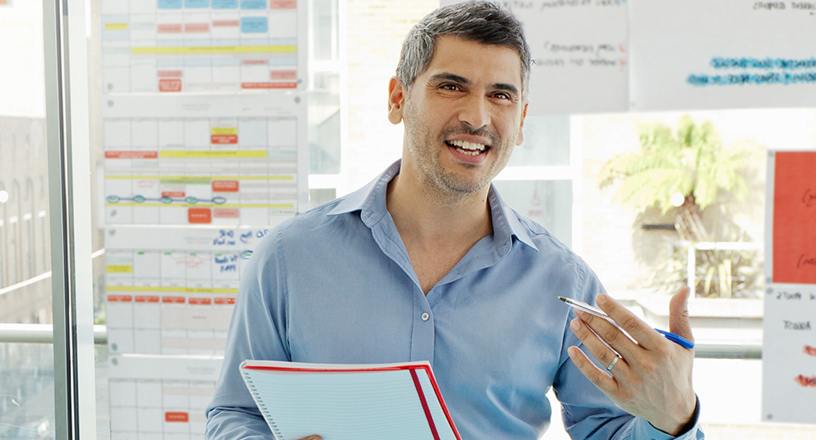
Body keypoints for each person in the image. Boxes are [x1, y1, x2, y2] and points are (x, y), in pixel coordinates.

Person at [204, 2, 704, 439]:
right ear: (398, 99)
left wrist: (675, 419)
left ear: (523, 119)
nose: (478, 117)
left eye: (501, 96)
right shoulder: (289, 258)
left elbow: (610, 430)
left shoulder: (562, 281)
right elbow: (235, 413)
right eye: (452, 86)